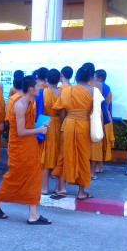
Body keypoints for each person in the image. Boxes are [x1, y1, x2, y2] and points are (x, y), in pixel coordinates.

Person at [0, 76, 51, 224]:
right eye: (37, 86)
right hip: (20, 146)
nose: (40, 88)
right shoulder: (20, 105)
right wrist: (39, 130)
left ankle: (33, 214)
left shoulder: (31, 102)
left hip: (30, 144)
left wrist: (41, 125)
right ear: (31, 89)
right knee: (14, 176)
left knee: (33, 176)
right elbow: (21, 131)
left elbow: (29, 125)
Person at [52, 66, 95, 200]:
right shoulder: (94, 91)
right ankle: (81, 192)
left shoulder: (67, 91)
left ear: (76, 78)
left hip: (69, 124)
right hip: (85, 125)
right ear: (89, 78)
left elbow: (61, 111)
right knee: (83, 156)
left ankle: (61, 188)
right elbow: (97, 112)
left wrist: (64, 123)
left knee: (64, 154)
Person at [41, 69, 65, 197]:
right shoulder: (62, 93)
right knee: (58, 156)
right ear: (59, 79)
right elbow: (63, 113)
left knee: (46, 156)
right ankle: (58, 187)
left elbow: (40, 110)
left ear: (46, 79)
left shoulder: (43, 92)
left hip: (45, 123)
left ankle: (44, 187)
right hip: (59, 124)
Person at [90, 69, 114, 176]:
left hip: (98, 116)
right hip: (104, 116)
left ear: (99, 78)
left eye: (95, 77)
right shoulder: (107, 88)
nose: (93, 79)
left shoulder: (94, 87)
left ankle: (96, 167)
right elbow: (107, 104)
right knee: (100, 143)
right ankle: (99, 166)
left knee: (97, 143)